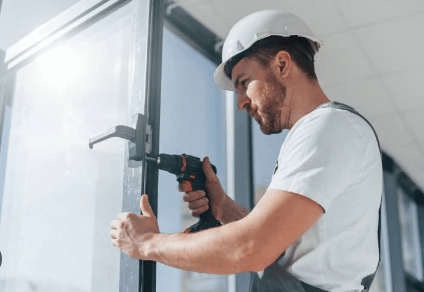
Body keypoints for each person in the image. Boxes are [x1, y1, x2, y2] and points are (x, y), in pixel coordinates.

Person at [110, 10, 383, 292]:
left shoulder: (328, 127)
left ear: (281, 64)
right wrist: (223, 207)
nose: (240, 102)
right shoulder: (323, 131)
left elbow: (253, 248)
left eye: (243, 83)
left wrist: (146, 243)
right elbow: (279, 247)